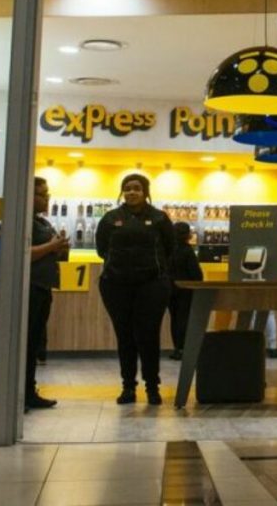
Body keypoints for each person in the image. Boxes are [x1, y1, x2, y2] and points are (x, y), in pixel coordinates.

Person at [96, 173, 175, 405]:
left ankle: (152, 387)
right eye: (127, 188)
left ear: (145, 192)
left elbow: (169, 248)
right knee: (125, 336)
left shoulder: (159, 218)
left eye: (137, 188)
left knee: (149, 335)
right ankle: (128, 387)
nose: (132, 192)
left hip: (152, 285)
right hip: (115, 284)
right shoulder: (110, 218)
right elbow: (101, 249)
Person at [27, 178, 71, 410]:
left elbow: (53, 254)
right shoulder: (22, 220)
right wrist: (52, 246)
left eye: (47, 193)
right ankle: (21, 393)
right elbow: (23, 253)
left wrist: (61, 249)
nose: (47, 198)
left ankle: (28, 391)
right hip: (30, 288)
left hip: (44, 287)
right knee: (26, 343)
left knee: (34, 342)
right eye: (41, 194)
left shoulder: (42, 222)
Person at [167, 221, 203, 360]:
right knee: (184, 319)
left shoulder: (168, 250)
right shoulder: (188, 251)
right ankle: (184, 349)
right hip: (186, 290)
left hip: (170, 288)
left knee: (174, 319)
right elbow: (196, 274)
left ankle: (177, 348)